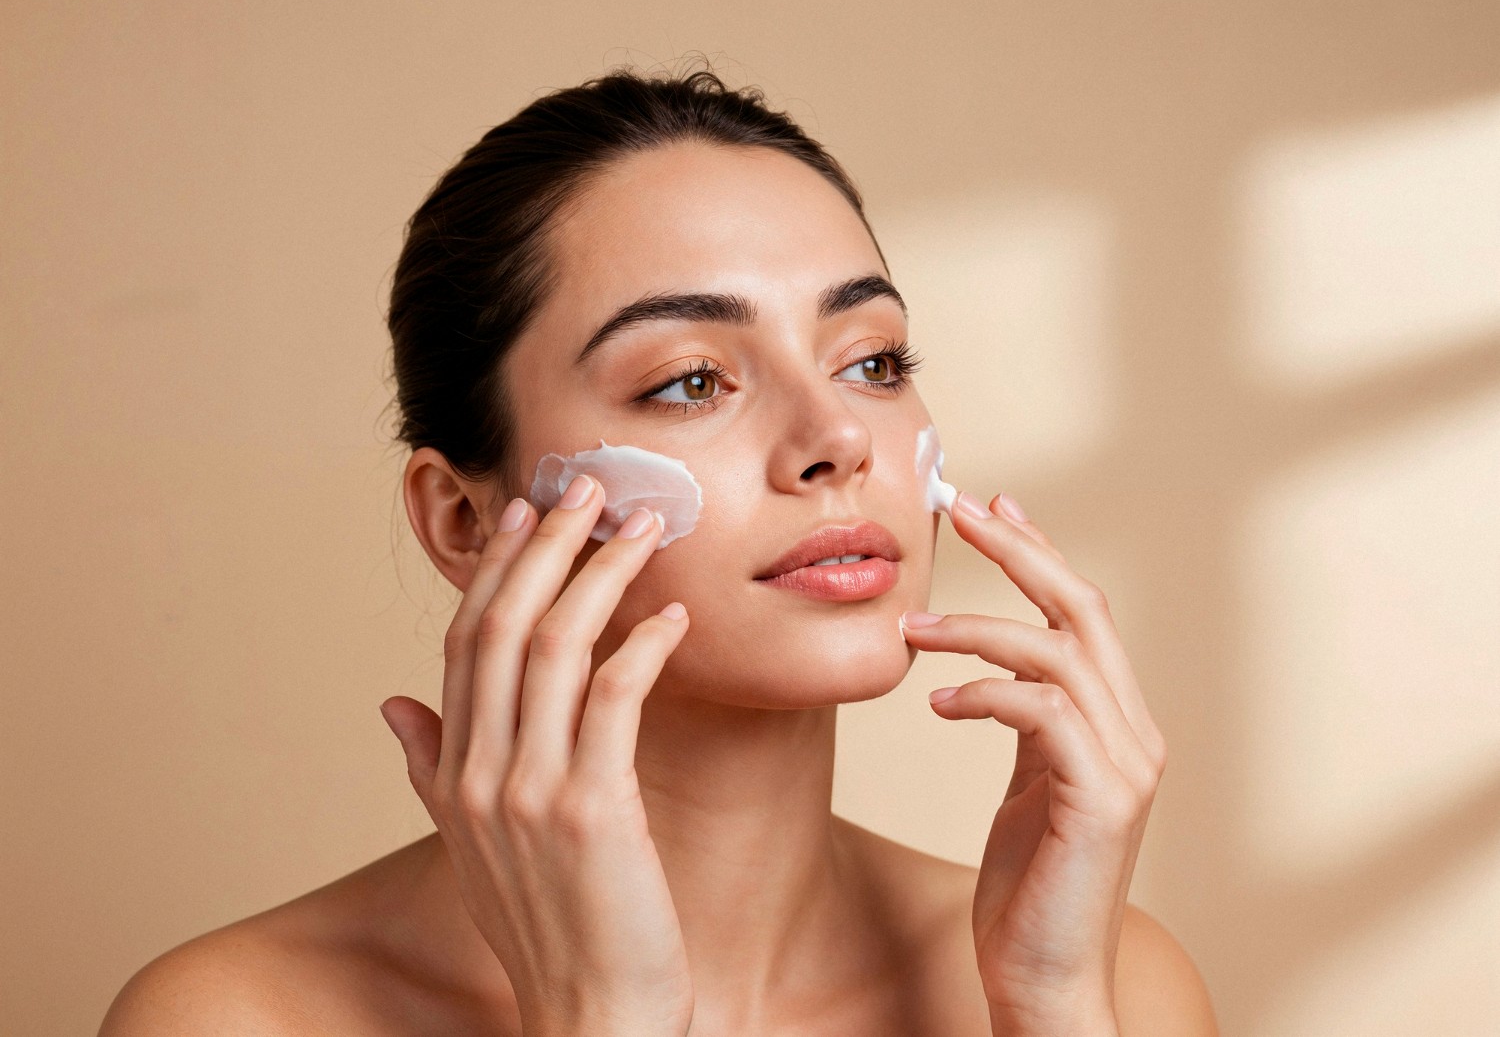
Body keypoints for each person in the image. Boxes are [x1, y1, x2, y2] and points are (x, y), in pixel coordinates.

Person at [100, 65, 1218, 1036]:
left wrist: (1051, 1005)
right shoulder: (237, 1018)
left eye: (872, 361)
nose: (837, 438)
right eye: (690, 382)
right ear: (463, 519)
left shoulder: (1108, 983)